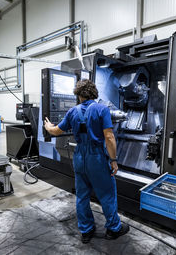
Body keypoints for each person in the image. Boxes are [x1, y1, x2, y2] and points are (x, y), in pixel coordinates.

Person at [44, 79, 129, 243]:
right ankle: (113, 229)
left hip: (79, 156)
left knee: (82, 195)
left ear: (78, 95)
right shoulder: (102, 109)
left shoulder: (72, 112)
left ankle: (86, 231)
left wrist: (48, 126)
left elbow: (55, 131)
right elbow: (109, 137)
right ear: (94, 93)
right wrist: (113, 160)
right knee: (107, 194)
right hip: (96, 157)